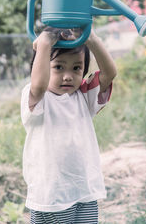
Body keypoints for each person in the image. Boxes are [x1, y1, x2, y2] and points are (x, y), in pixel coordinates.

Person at [20, 27, 117, 223]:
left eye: (76, 68)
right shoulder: (38, 98)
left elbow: (109, 73)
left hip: (84, 192)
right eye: (58, 67)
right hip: (51, 197)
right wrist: (45, 43)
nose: (68, 76)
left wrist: (91, 39)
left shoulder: (83, 96)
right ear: (41, 66)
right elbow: (39, 84)